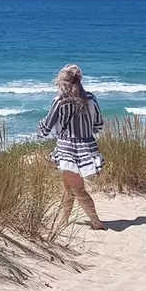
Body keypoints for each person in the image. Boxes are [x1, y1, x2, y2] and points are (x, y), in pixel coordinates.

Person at [37, 64, 107, 231]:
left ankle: (97, 223)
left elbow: (46, 127)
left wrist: (39, 131)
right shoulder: (91, 98)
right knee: (69, 187)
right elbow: (98, 125)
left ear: (62, 82)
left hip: (68, 149)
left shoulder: (59, 100)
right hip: (88, 147)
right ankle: (63, 221)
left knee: (77, 188)